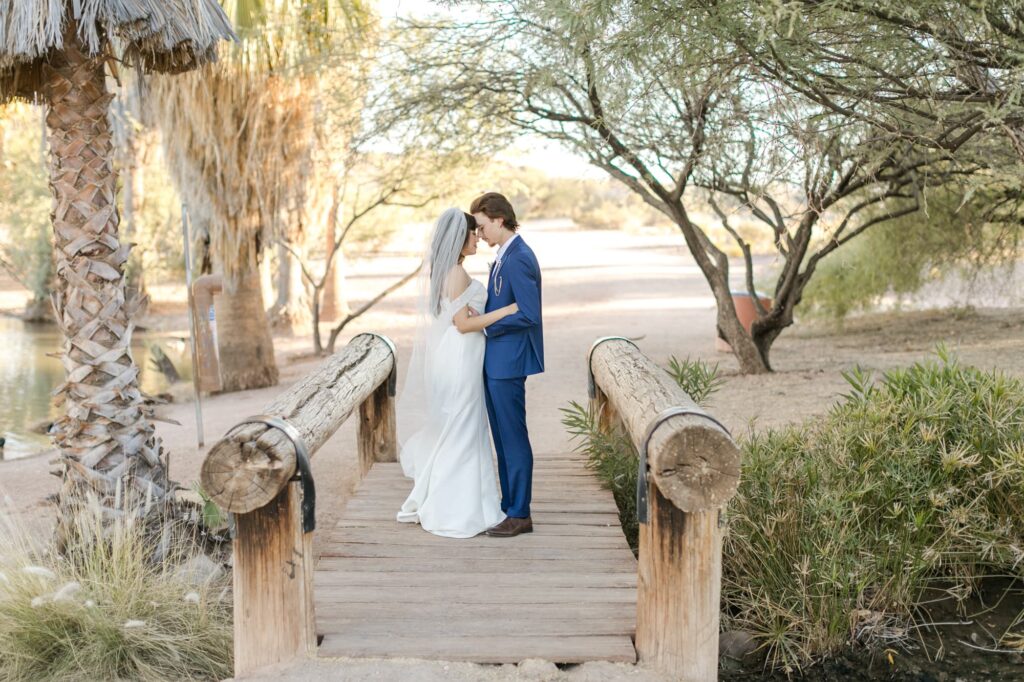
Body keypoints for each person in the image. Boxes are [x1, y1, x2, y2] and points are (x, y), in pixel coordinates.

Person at [395, 208, 517, 538]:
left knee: (460, 425)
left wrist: (478, 311)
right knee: (463, 427)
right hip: (461, 357)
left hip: (456, 355)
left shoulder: (450, 271)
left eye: (479, 232)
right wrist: (506, 310)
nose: (477, 237)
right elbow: (463, 325)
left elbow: (457, 314)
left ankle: (463, 500)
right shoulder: (457, 273)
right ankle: (457, 507)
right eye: (472, 233)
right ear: (459, 239)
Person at [453, 192, 544, 538]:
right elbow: (507, 302)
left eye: (481, 226)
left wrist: (490, 323)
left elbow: (529, 312)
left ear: (499, 219)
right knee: (503, 439)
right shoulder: (504, 256)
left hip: (509, 361)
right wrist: (484, 312)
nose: (478, 234)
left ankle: (520, 513)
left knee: (513, 437)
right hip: (496, 361)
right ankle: (510, 506)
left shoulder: (519, 257)